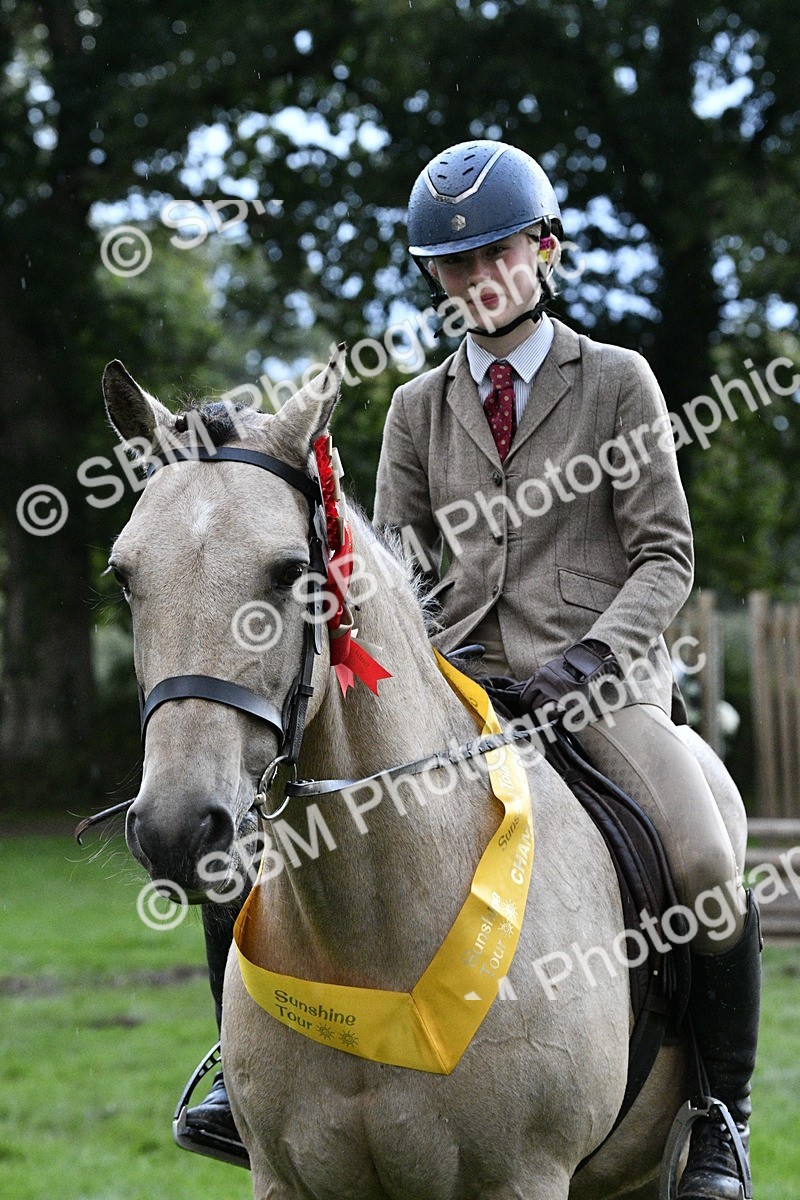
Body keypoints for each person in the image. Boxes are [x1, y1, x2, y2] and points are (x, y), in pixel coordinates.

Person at [372, 139, 760, 1200]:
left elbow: (664, 553)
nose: (475, 280)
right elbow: (394, 566)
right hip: (460, 685)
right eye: (452, 266)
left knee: (699, 863)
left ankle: (718, 1114)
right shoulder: (413, 409)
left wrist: (590, 659)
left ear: (543, 248)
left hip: (601, 682)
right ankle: (252, 1074)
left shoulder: (618, 381)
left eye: (494, 253)